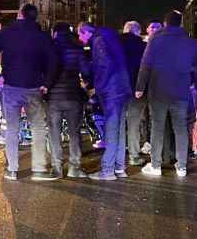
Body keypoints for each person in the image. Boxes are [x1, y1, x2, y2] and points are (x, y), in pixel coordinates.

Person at [0, 3, 58, 181]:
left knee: (12, 129)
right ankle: (39, 169)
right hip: (34, 89)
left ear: (20, 15)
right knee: (39, 128)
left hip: (11, 88)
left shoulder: (7, 33)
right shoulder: (43, 36)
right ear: (35, 17)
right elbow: (53, 61)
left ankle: (12, 169)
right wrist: (46, 83)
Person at [136, 10, 197, 177]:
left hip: (158, 92)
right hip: (181, 92)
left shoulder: (155, 40)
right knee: (181, 128)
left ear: (165, 23)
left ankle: (155, 165)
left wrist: (140, 87)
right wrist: (194, 82)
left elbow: (145, 65)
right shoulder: (190, 43)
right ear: (181, 23)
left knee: (158, 128)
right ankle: (181, 166)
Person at [78, 22, 132, 181]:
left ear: (86, 32)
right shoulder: (110, 36)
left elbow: (104, 66)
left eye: (80, 35)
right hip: (123, 87)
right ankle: (120, 167)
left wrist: (96, 87)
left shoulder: (98, 40)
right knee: (120, 130)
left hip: (111, 91)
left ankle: (107, 170)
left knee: (111, 130)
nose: (81, 39)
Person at [48, 22, 90, 178]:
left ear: (54, 33)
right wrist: (86, 83)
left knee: (54, 132)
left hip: (53, 97)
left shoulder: (50, 48)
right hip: (73, 96)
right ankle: (75, 167)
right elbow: (86, 71)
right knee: (74, 132)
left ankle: (57, 167)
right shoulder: (76, 48)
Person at [121, 21, 147, 166]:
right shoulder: (143, 47)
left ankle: (117, 157)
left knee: (117, 123)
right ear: (138, 32)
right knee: (134, 123)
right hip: (138, 91)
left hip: (118, 90)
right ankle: (134, 155)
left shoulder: (116, 45)